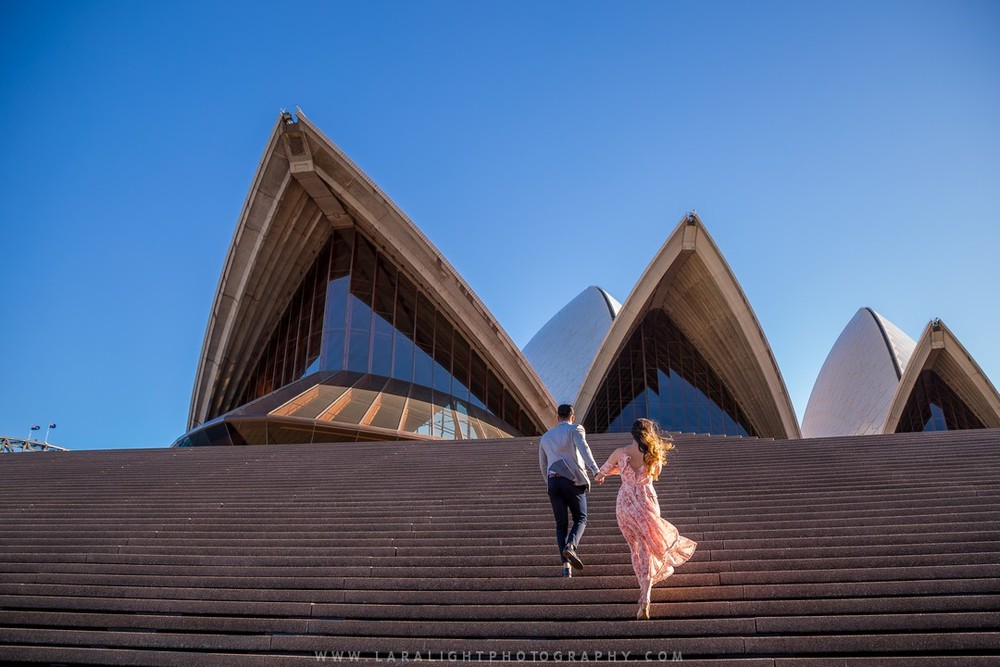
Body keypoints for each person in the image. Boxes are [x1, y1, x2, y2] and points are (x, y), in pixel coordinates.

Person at [595, 418, 697, 620]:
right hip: (646, 502)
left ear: (631, 433)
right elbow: (654, 473)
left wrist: (611, 473)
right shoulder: (653, 455)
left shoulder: (619, 453)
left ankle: (644, 592)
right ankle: (646, 596)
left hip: (625, 506)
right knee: (647, 549)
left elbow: (600, 474)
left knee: (636, 549)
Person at [538, 404, 600, 577]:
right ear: (572, 417)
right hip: (572, 480)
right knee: (581, 518)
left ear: (557, 418)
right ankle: (570, 546)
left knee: (561, 525)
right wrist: (595, 470)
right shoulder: (575, 429)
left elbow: (543, 465)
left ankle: (566, 567)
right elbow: (584, 448)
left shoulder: (546, 437)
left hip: (553, 481)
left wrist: (549, 483)